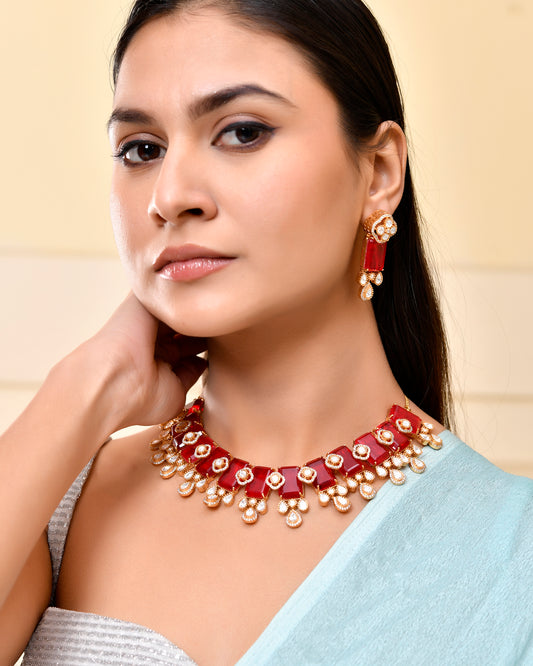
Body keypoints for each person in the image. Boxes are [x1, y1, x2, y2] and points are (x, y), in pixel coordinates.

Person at [1, 0, 531, 664]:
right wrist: (87, 387)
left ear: (378, 173)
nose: (170, 195)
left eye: (243, 132)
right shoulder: (59, 498)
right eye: (142, 149)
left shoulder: (511, 555)